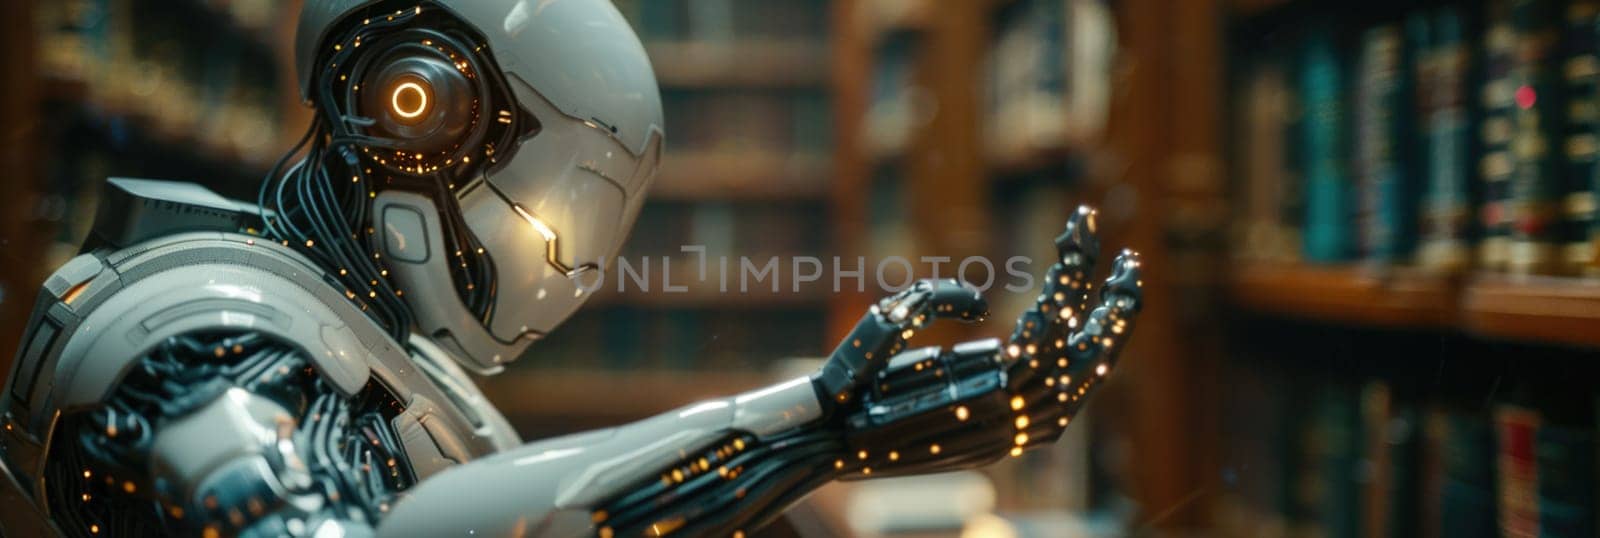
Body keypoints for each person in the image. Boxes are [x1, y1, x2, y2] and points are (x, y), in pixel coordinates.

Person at [0, 1, 1145, 536]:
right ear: (419, 109)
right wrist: (811, 424)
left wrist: (832, 432)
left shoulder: (348, 340)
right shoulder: (207, 340)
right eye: (558, 222)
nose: (565, 273)